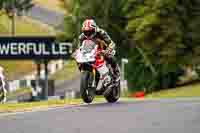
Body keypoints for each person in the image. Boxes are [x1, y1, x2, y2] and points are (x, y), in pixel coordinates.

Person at [79, 19, 120, 83]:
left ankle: (116, 72)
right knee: (80, 60)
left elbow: (111, 43)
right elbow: (80, 48)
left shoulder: (101, 33)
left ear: (95, 29)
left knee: (110, 57)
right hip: (90, 52)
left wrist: (107, 50)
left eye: (90, 31)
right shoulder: (81, 37)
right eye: (86, 32)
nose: (88, 33)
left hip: (103, 49)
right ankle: (87, 74)